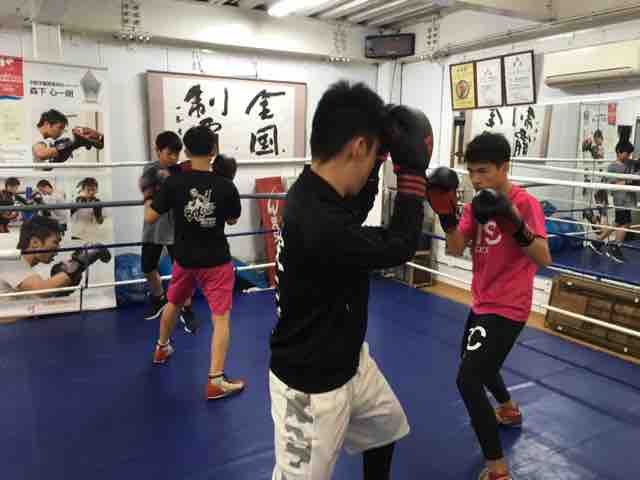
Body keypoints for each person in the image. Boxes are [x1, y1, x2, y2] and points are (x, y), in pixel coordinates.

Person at [269, 81, 431, 480]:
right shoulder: (318, 223)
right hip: (310, 385)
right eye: (374, 153)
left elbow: (356, 205)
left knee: (385, 429)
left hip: (350, 360)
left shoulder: (316, 189)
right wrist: (412, 174)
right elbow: (400, 245)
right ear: (358, 147)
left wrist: (380, 155)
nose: (376, 162)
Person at [426, 132, 551, 480]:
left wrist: (514, 224)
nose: (476, 179)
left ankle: (497, 469)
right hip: (482, 300)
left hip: (509, 306)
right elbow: (455, 248)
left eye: (483, 171)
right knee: (476, 363)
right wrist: (446, 215)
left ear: (504, 167)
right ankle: (508, 409)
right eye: (471, 172)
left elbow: (543, 257)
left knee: (468, 380)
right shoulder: (475, 206)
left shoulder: (525, 204)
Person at [144, 125, 244, 400]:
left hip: (184, 259)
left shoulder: (174, 183)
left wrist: (152, 193)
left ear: (186, 151)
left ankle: (161, 348)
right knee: (220, 317)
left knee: (173, 302)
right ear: (213, 151)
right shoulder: (225, 185)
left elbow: (150, 217)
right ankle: (215, 380)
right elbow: (232, 219)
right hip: (216, 261)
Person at [139, 131, 197, 332]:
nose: (173, 157)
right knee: (147, 267)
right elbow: (148, 194)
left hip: (176, 226)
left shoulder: (181, 170)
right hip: (153, 226)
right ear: (158, 150)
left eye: (176, 154)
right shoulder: (150, 169)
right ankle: (158, 299)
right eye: (169, 153)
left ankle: (187, 309)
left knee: (183, 270)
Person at [0, 215, 110, 322]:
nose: (58, 248)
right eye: (55, 242)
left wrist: (60, 291)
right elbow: (42, 290)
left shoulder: (25, 273)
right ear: (35, 243)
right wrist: (78, 263)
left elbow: (36, 305)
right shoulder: (11, 263)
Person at [586, 140, 635, 262]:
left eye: (629, 154)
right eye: (626, 153)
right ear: (618, 152)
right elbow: (612, 184)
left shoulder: (629, 163)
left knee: (619, 222)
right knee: (625, 222)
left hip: (628, 198)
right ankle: (615, 247)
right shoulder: (612, 167)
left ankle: (597, 242)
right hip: (620, 198)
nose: (628, 156)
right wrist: (628, 181)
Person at [32, 109, 104, 169]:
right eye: (60, 127)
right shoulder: (36, 135)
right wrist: (72, 144)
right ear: (47, 124)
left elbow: (48, 166)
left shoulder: (47, 140)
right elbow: (41, 154)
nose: (61, 132)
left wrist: (74, 146)